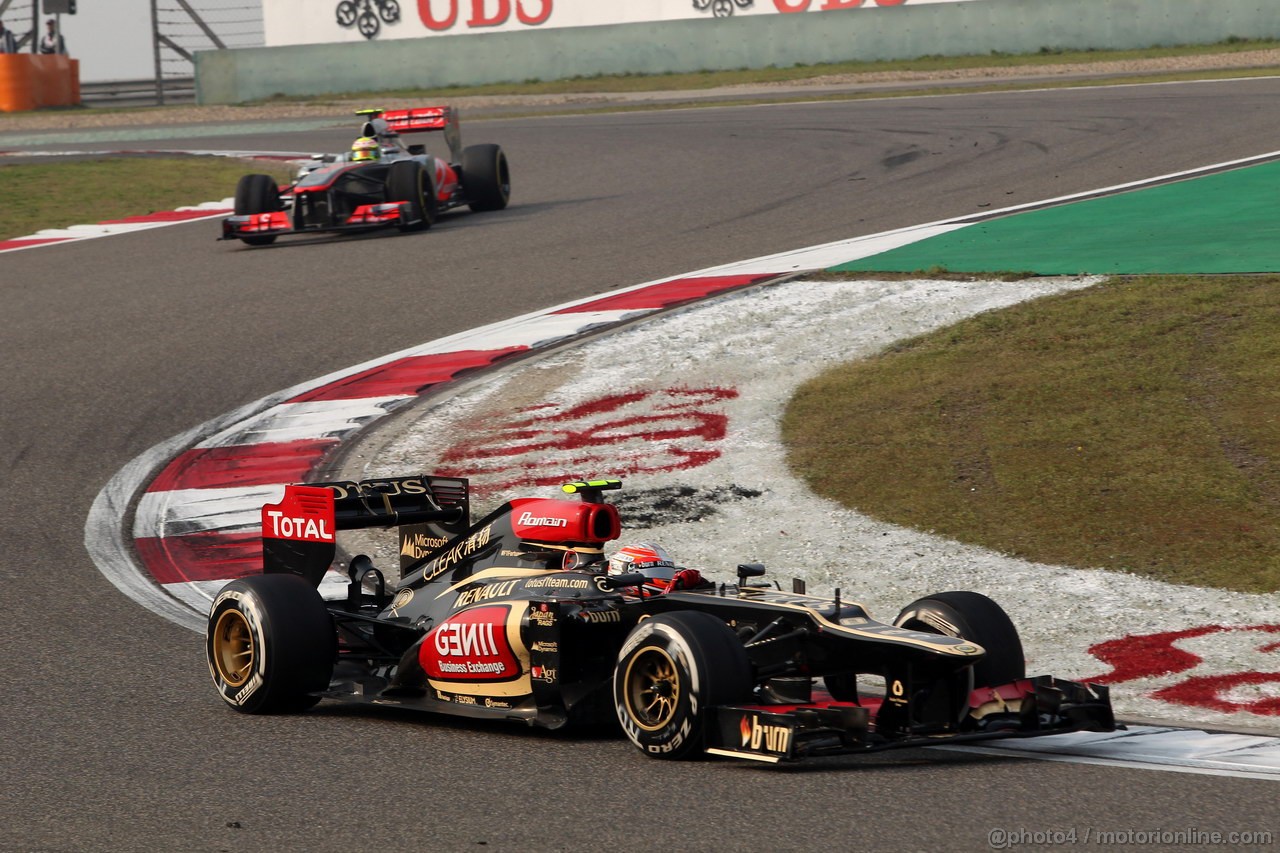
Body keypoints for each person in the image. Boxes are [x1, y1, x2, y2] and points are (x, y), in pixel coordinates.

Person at [607, 542, 707, 594]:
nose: (665, 579)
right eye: (654, 571)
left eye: (665, 571)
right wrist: (668, 593)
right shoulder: (612, 603)